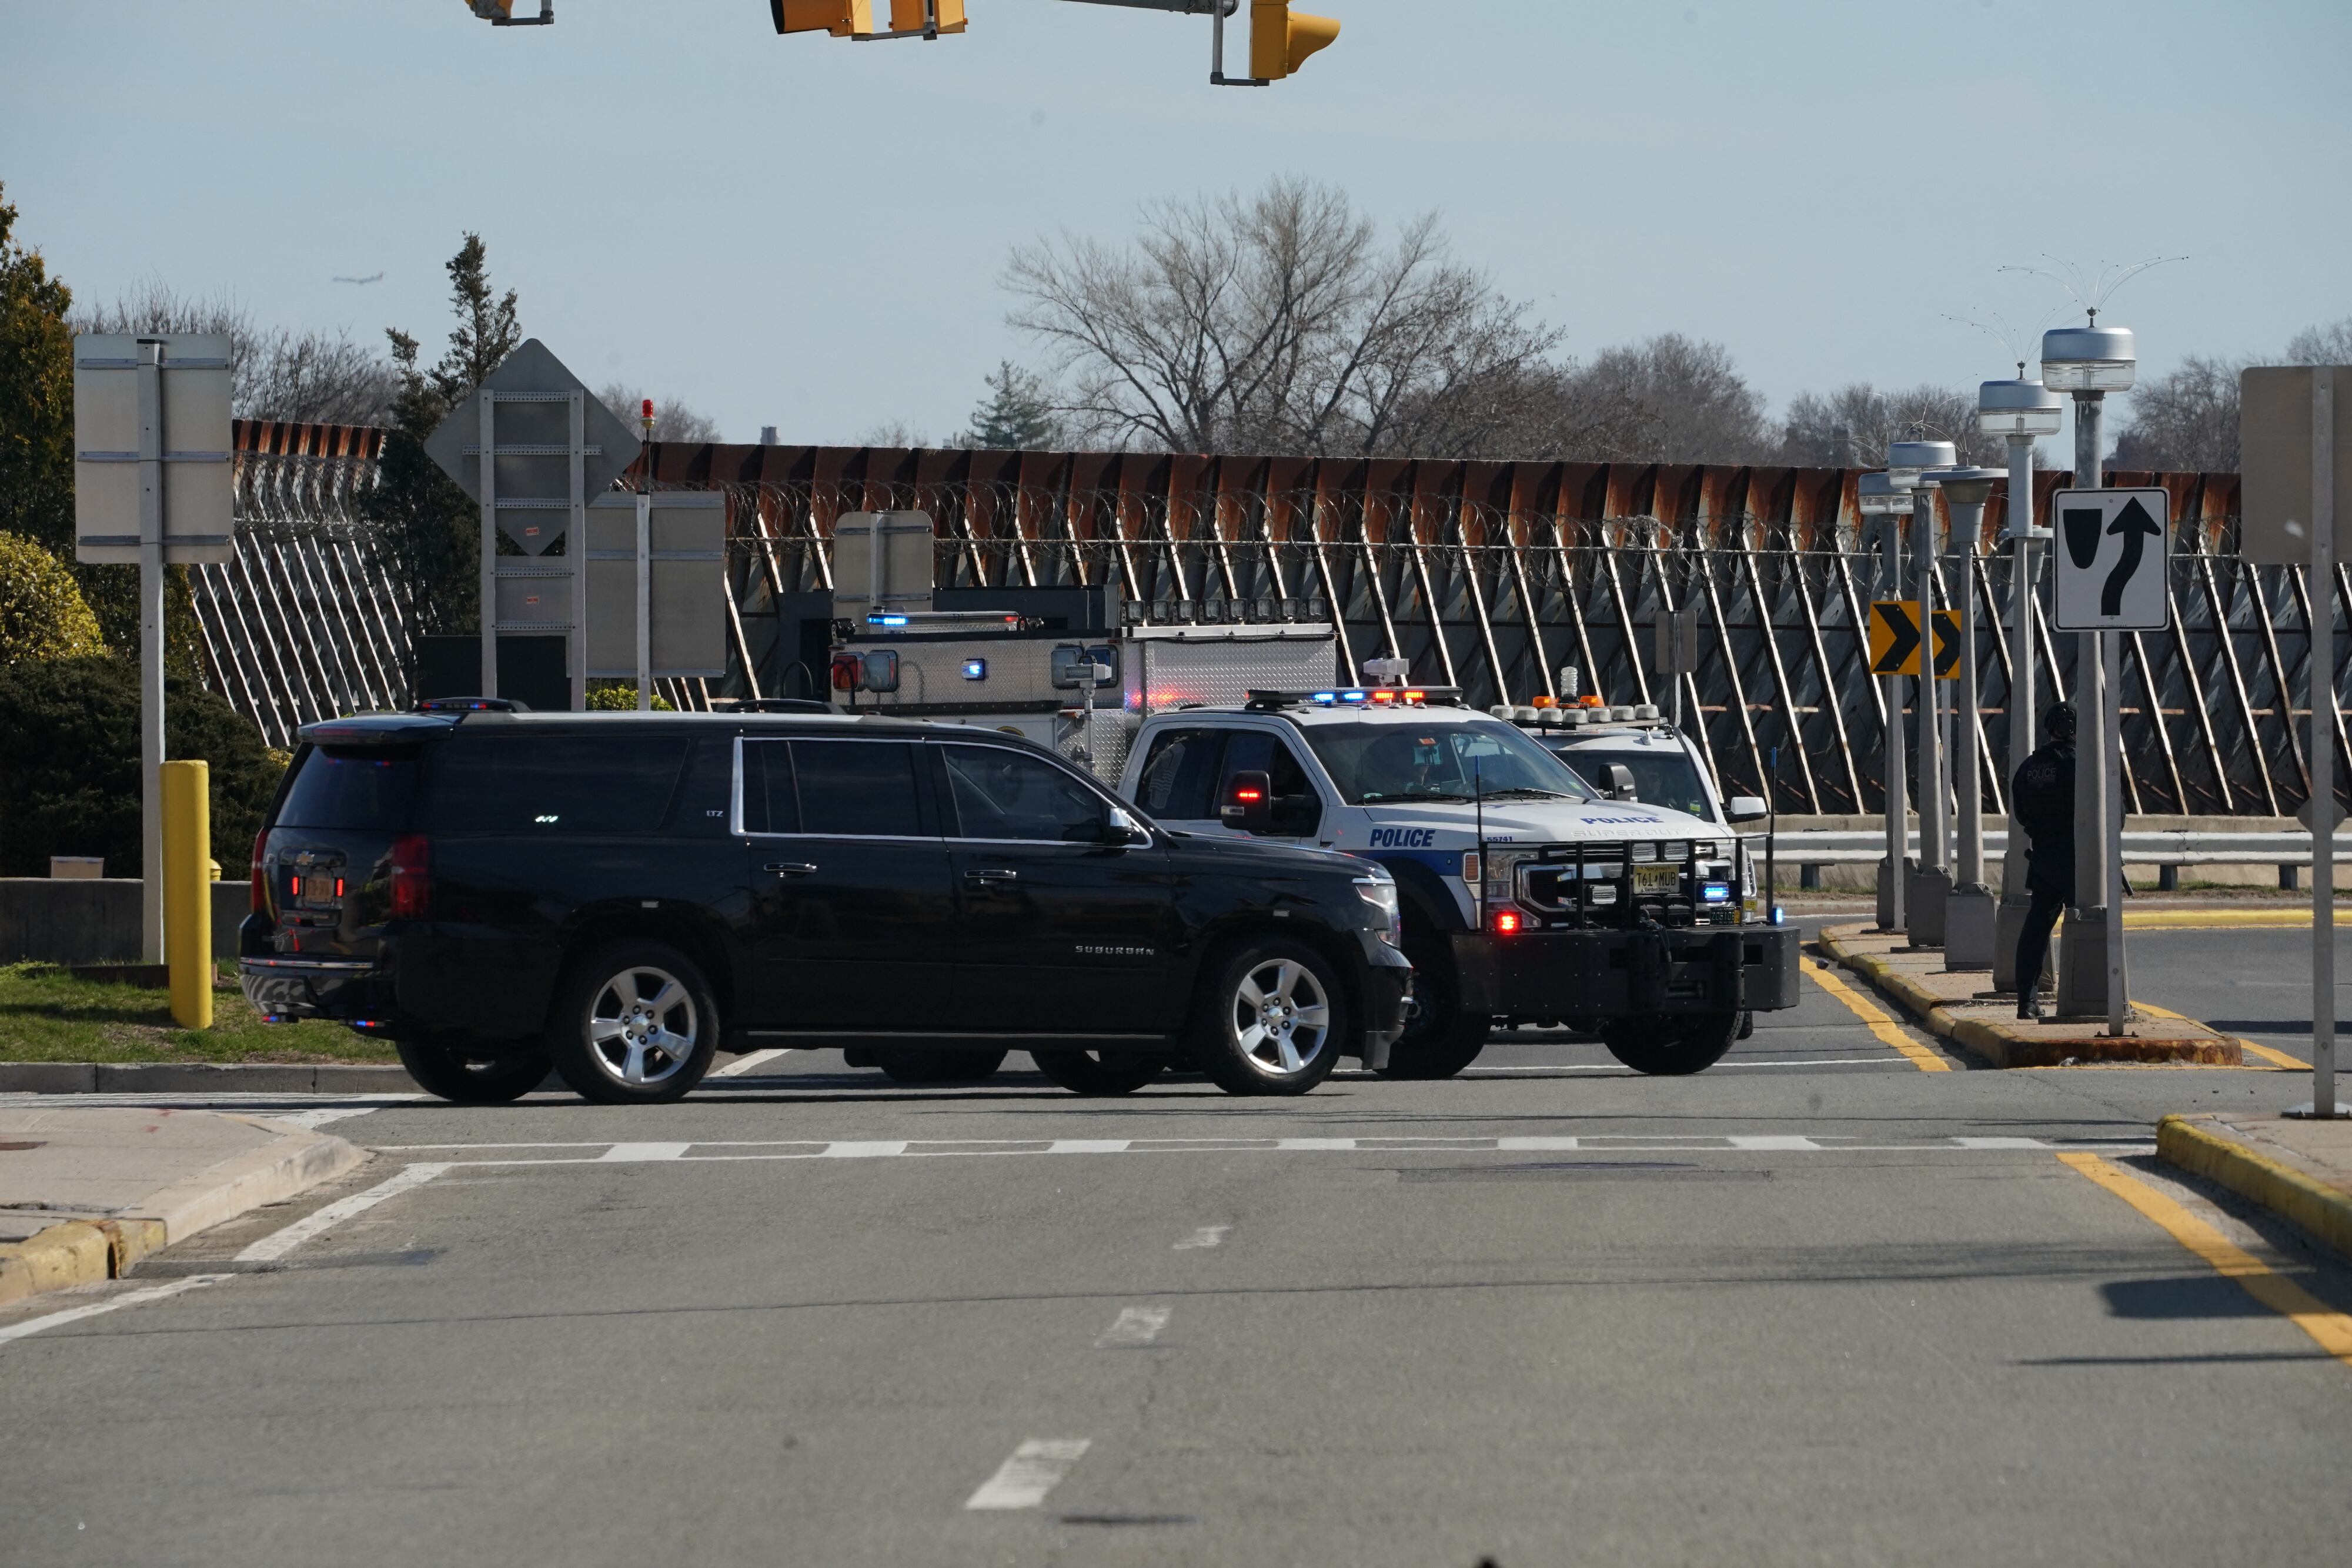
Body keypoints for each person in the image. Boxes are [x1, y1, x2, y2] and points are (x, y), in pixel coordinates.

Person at [2011, 702, 2077, 1020]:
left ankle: (2027, 1000)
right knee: (2089, 922)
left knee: (2037, 927)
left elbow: (2021, 813)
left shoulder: (2029, 767)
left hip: (2043, 857)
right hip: (2080, 857)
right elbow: (2113, 815)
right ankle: (2086, 997)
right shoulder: (2084, 763)